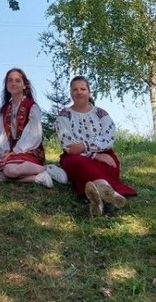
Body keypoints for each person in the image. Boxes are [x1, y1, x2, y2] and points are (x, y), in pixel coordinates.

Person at [55, 75, 137, 216]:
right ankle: (109, 192)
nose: (79, 92)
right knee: (80, 164)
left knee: (110, 164)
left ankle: (98, 200)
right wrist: (93, 154)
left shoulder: (100, 113)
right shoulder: (64, 115)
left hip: (105, 154)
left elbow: (108, 136)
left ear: (89, 92)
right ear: (71, 93)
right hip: (75, 157)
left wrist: (85, 146)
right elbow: (69, 146)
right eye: (75, 89)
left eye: (83, 89)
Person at [0, 68, 66, 187]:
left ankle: (46, 169)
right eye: (10, 80)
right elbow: (2, 134)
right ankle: (37, 177)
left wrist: (15, 151)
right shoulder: (5, 109)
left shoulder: (32, 107)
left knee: (8, 170)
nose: (13, 83)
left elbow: (33, 135)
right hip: (11, 153)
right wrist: (4, 152)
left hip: (29, 150)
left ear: (24, 85)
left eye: (17, 80)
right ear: (6, 85)